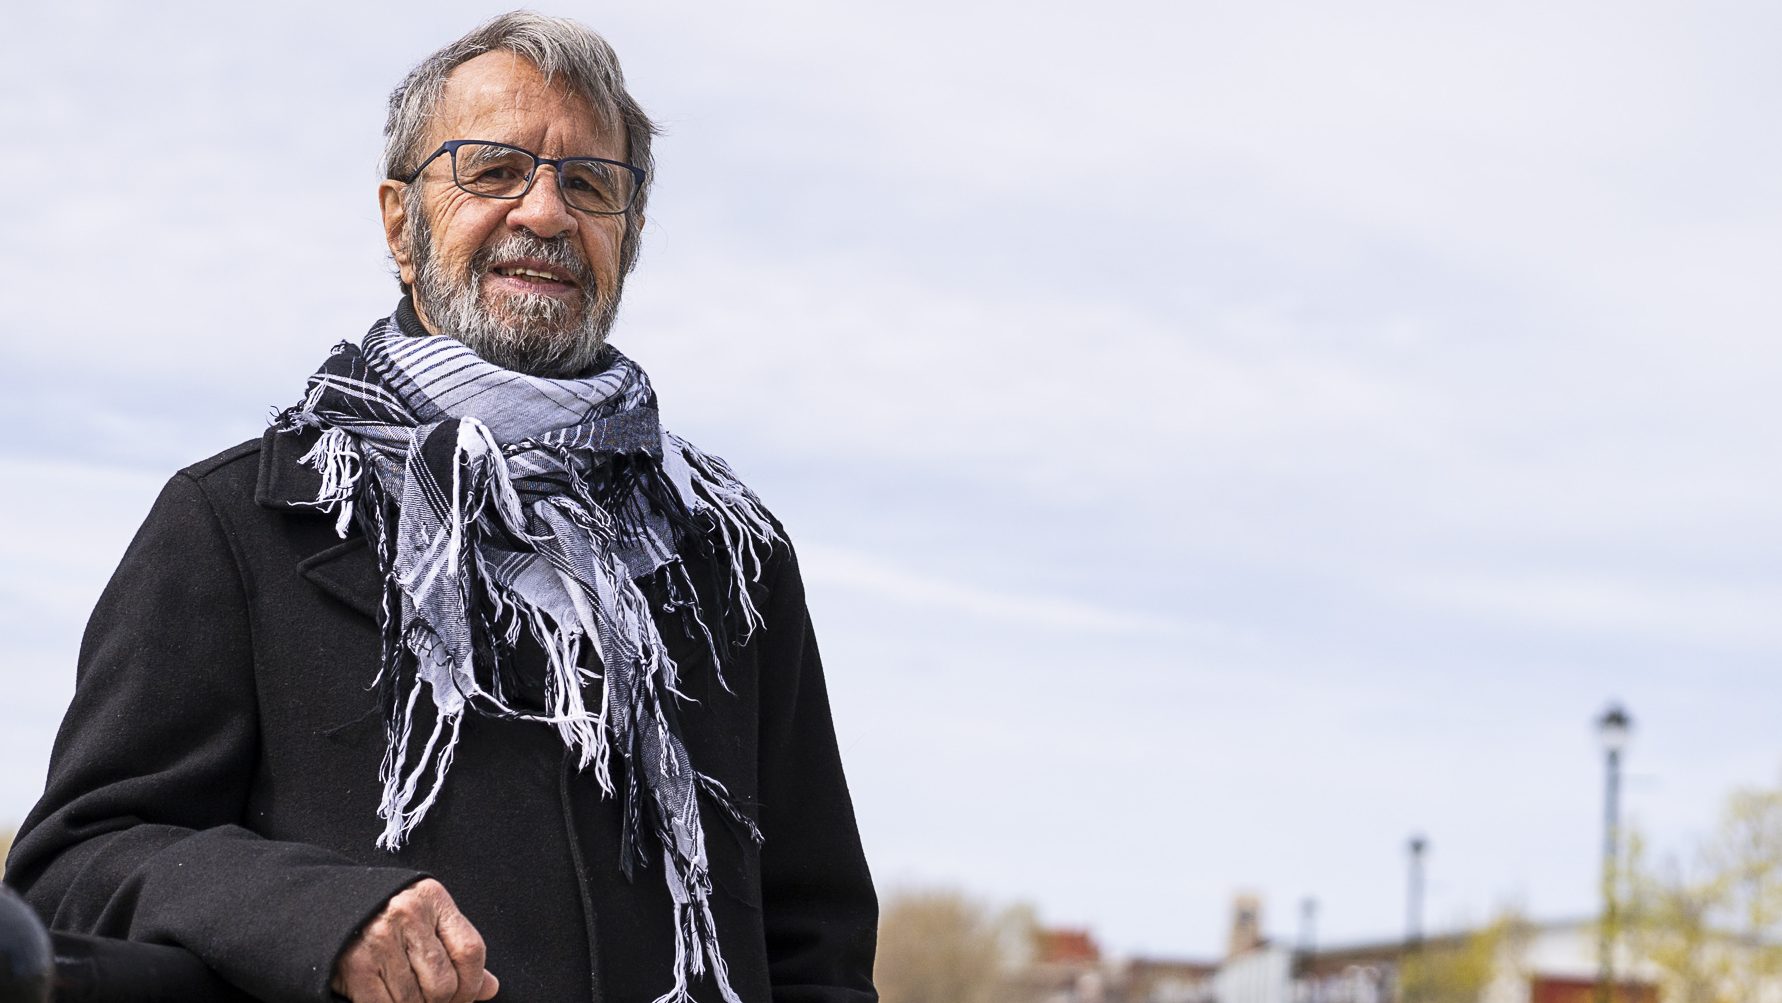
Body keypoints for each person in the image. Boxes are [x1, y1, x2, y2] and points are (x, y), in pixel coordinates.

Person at [3, 12, 878, 1003]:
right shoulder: (235, 523)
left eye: (590, 185)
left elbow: (818, 946)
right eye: (493, 170)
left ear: (628, 236)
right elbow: (72, 868)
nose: (545, 213)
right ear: (399, 223)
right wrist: (319, 915)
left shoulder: (731, 557)